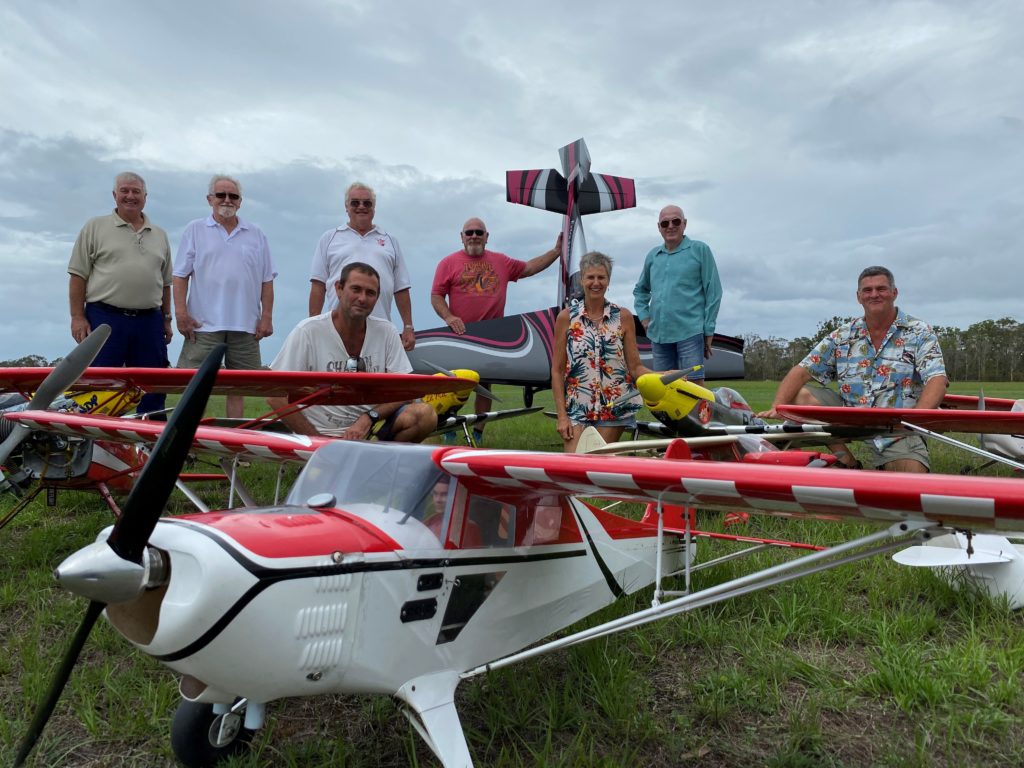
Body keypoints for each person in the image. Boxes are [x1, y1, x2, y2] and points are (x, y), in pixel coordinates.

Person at [759, 266, 948, 472]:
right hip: (847, 416)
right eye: (867, 290)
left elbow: (936, 380)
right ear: (859, 297)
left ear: (894, 293)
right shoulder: (843, 334)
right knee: (799, 397)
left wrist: (912, 422)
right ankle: (846, 461)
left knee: (912, 483)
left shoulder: (919, 331)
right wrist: (778, 407)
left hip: (895, 426)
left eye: (881, 289)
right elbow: (802, 371)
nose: (874, 294)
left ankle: (895, 461)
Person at [270, 262, 436, 442]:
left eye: (370, 293)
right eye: (355, 289)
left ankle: (379, 463)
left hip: (370, 429)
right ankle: (328, 458)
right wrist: (316, 442)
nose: (362, 298)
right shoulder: (307, 331)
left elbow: (406, 391)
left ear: (377, 297)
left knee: (425, 415)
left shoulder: (386, 331)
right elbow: (275, 396)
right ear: (338, 289)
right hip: (320, 433)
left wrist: (369, 417)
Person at [431, 218, 562, 444]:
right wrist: (449, 317)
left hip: (491, 336)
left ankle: (479, 434)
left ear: (487, 236)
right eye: (469, 232)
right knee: (453, 384)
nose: (474, 236)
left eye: (478, 233)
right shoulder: (448, 263)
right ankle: (448, 430)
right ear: (461, 237)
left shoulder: (501, 261)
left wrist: (556, 251)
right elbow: (436, 296)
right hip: (460, 335)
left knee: (484, 385)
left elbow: (529, 268)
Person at [68, 171, 172, 416]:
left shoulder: (160, 235)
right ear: (115, 195)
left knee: (153, 386)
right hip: (105, 318)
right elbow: (77, 275)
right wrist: (77, 317)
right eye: (125, 191)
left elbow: (165, 282)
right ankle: (96, 446)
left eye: (136, 192)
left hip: (149, 321)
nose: (130, 196)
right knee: (100, 385)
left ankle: (152, 444)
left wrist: (167, 319)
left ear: (145, 197)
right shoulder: (94, 227)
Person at [173, 175, 276, 418]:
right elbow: (180, 276)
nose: (227, 200)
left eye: (233, 196)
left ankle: (234, 452)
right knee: (195, 385)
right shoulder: (195, 229)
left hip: (245, 324)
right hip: (203, 325)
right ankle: (192, 441)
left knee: (239, 387)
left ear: (240, 202)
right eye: (221, 195)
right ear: (210, 199)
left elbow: (267, 280)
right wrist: (180, 314)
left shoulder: (256, 233)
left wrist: (267, 318)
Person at [552, 251, 652, 452]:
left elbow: (635, 367)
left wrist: (663, 376)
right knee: (573, 466)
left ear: (608, 281)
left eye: (601, 277)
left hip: (614, 410)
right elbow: (557, 370)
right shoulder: (566, 318)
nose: (595, 283)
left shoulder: (623, 317)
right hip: (578, 409)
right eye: (590, 277)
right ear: (582, 280)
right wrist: (562, 416)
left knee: (595, 463)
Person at [308, 182, 415, 351]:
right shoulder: (329, 239)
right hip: (338, 329)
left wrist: (408, 326)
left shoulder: (390, 241)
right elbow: (318, 285)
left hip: (380, 329)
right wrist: (312, 324)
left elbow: (401, 288)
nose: (361, 207)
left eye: (367, 203)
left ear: (374, 208)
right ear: (346, 207)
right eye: (355, 202)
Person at [633, 205, 722, 387]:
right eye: (665, 223)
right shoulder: (653, 256)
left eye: (676, 221)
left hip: (690, 332)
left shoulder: (700, 250)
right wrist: (644, 318)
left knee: (694, 387)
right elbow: (640, 290)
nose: (670, 226)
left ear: (684, 224)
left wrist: (709, 329)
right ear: (659, 227)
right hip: (659, 335)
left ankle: (698, 416)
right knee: (664, 386)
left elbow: (714, 291)